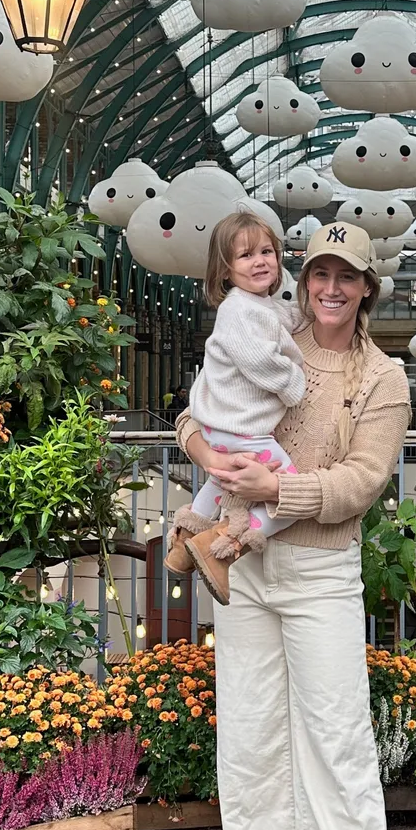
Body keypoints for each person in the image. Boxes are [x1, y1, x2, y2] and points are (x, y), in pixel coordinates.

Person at [174, 221, 411, 830]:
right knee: (255, 737)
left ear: (367, 287)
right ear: (302, 282)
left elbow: (360, 483)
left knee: (338, 744)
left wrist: (278, 491)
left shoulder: (382, 378)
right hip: (242, 566)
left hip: (318, 571)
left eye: (347, 277)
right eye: (320, 275)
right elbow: (197, 411)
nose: (331, 289)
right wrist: (206, 456)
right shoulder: (264, 328)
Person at [165, 212, 307, 603]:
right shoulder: (239, 311)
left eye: (267, 252)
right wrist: (295, 383)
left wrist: (306, 310)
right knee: (290, 496)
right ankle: (222, 547)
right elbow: (261, 361)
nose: (260, 261)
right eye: (246, 256)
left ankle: (184, 544)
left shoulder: (256, 305)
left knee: (220, 481)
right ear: (225, 270)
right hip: (243, 430)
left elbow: (285, 319)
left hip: (222, 429)